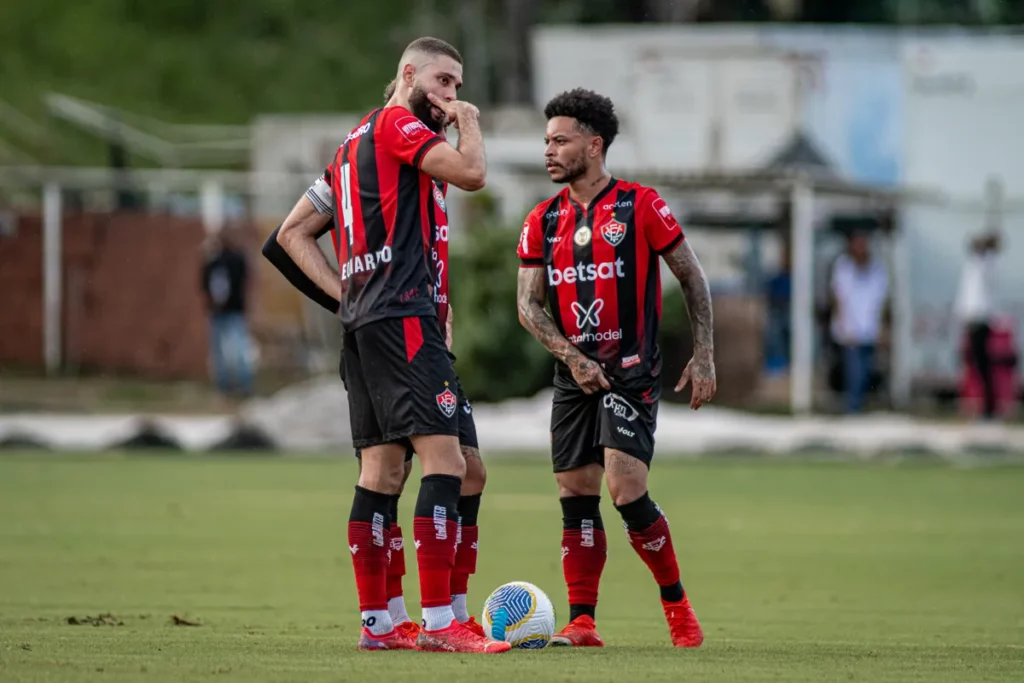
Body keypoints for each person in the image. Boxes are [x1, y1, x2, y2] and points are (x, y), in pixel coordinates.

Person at [276, 37, 507, 654]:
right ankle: (441, 623)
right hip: (401, 320)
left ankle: (381, 623)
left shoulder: (353, 143)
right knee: (450, 465)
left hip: (376, 323)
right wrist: (472, 125)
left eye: (459, 87)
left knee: (388, 469)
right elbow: (474, 174)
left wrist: (349, 300)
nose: (453, 95)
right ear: (408, 75)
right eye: (444, 81)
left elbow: (290, 234)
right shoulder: (400, 125)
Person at [515, 88, 715, 648]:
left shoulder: (640, 205)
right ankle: (582, 621)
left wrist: (705, 353)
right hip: (573, 374)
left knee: (626, 488)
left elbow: (692, 276)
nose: (548, 151)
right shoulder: (543, 219)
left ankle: (677, 608)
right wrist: (574, 359)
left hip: (630, 370)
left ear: (594, 145)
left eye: (560, 140)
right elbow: (528, 306)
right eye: (546, 141)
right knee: (575, 493)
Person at [829, 230, 888, 413]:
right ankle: (853, 407)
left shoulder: (877, 269)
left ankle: (858, 404)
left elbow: (882, 300)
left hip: (869, 328)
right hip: (850, 328)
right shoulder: (843, 267)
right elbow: (838, 297)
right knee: (855, 370)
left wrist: (882, 327)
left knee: (866, 370)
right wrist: (843, 324)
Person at [200, 230, 254, 398]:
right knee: (221, 353)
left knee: (236, 351)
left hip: (233, 311)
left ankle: (241, 385)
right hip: (220, 312)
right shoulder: (215, 262)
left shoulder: (231, 260)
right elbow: (203, 283)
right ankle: (227, 387)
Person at [954, 231, 1002, 420]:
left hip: (980, 320)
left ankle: (989, 408)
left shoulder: (988, 263)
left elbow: (981, 293)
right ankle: (983, 405)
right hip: (973, 319)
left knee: (983, 365)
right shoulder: (974, 263)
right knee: (975, 364)